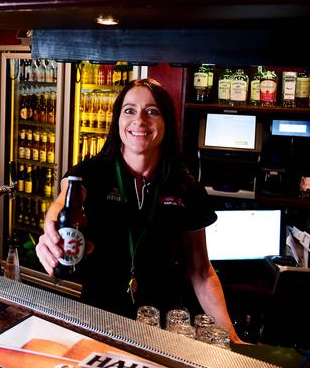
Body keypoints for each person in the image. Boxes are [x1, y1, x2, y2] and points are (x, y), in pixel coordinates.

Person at [36, 78, 243, 343]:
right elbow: (63, 204)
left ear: (166, 122)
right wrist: (51, 233)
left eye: (152, 111)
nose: (139, 120)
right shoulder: (93, 172)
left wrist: (231, 337)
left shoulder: (184, 185)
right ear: (117, 120)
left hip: (160, 326)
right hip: (98, 320)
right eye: (129, 110)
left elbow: (202, 273)